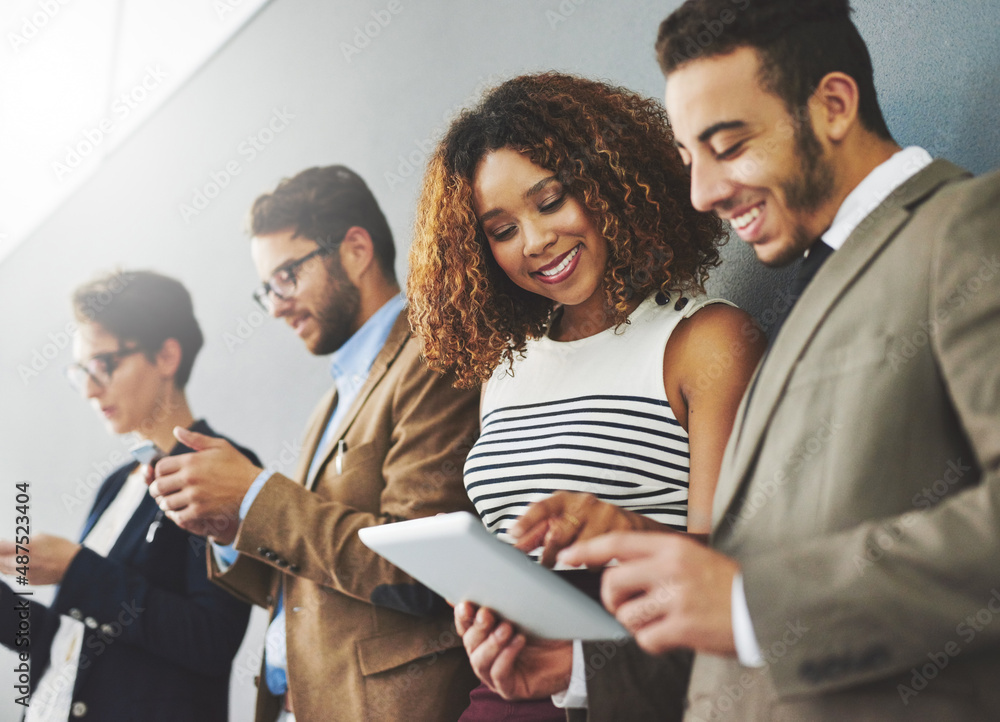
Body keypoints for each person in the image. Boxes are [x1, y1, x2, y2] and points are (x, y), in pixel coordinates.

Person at [562, 1, 1000, 719]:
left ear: (833, 104)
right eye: (689, 160)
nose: (702, 193)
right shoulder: (805, 280)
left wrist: (745, 601)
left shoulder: (969, 227)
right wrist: (588, 652)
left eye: (728, 146)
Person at [407, 72, 765, 720]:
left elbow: (736, 577)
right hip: (504, 696)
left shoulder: (704, 342)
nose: (535, 241)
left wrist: (626, 530)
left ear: (609, 180)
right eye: (502, 228)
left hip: (629, 692)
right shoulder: (508, 368)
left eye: (550, 201)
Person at [148, 166, 481, 721]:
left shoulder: (431, 358)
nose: (276, 305)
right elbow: (315, 579)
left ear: (355, 249)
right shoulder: (328, 405)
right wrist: (232, 528)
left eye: (287, 276)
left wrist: (256, 496)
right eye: (267, 289)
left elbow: (420, 568)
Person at [0, 270, 254, 721]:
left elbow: (210, 640)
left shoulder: (218, 468)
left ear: (166, 355)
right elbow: (73, 645)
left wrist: (75, 568)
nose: (91, 389)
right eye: (81, 371)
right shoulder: (117, 482)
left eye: (104, 364)